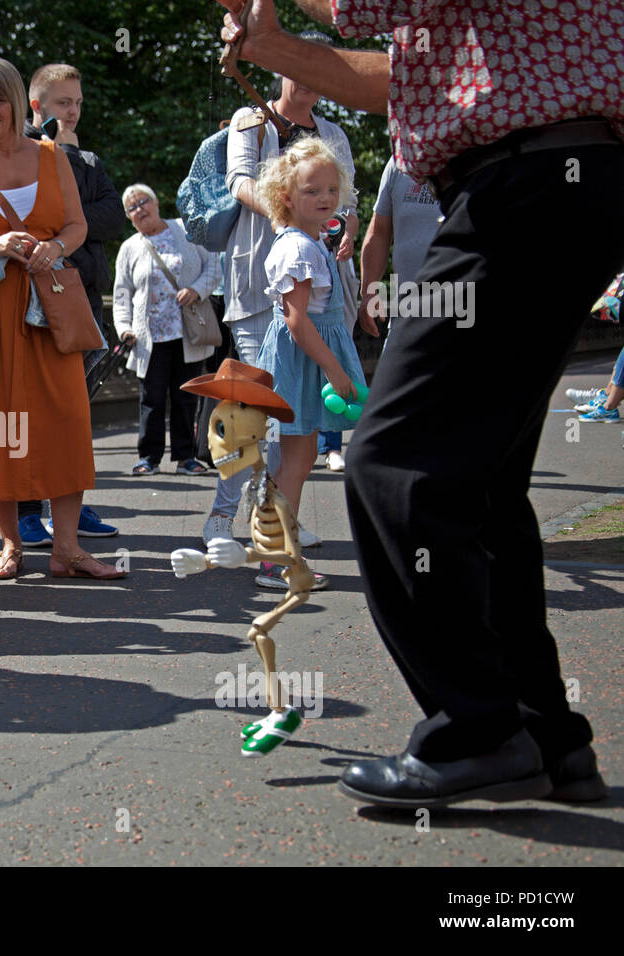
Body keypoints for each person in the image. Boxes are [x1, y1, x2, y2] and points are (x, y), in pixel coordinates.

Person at [220, 0, 621, 807]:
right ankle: (543, 733)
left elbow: (364, 8)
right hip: (557, 178)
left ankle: (479, 729)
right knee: (478, 484)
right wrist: (275, 45)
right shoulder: (490, 42)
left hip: (520, 186)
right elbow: (402, 81)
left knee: (392, 459)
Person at [0, 56, 124, 581]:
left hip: (48, 306)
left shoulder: (50, 156)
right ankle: (11, 545)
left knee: (64, 418)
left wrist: (54, 246)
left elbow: (80, 225)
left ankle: (67, 549)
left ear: (18, 103)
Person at [203, 56, 357, 551]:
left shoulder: (331, 134)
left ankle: (275, 522)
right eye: (313, 190)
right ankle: (229, 521)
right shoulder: (250, 120)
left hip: (313, 287)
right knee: (257, 419)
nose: (325, 196)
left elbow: (347, 202)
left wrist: (344, 224)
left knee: (296, 443)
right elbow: (238, 181)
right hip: (260, 290)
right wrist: (282, 214)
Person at [18, 63, 124, 548]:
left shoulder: (90, 158)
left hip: (82, 294)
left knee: (72, 412)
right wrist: (75, 217)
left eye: (78, 102)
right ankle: (24, 511)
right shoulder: (27, 154)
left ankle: (70, 508)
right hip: (42, 295)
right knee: (32, 409)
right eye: (64, 103)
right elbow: (56, 215)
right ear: (38, 106)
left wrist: (76, 214)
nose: (74, 110)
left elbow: (109, 216)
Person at [253, 136, 364, 589]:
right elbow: (297, 322)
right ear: (286, 196)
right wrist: (335, 372)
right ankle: (276, 560)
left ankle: (275, 553)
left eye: (331, 190)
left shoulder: (312, 240)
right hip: (304, 364)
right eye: (312, 191)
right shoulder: (297, 247)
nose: (325, 198)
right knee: (294, 466)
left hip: (310, 361)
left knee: (296, 463)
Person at [112, 183, 221, 477]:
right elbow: (122, 293)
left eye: (143, 202)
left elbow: (213, 267)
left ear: (157, 202)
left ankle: (186, 458)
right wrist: (124, 328)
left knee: (186, 396)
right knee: (152, 399)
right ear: (128, 218)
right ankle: (149, 457)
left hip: (187, 332)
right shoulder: (129, 248)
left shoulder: (185, 231)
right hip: (150, 337)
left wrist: (196, 290)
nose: (139, 210)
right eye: (131, 208)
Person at [356, 153, 443, 352]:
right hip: (406, 312)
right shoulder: (399, 160)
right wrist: (368, 292)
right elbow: (379, 232)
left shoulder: (478, 153)